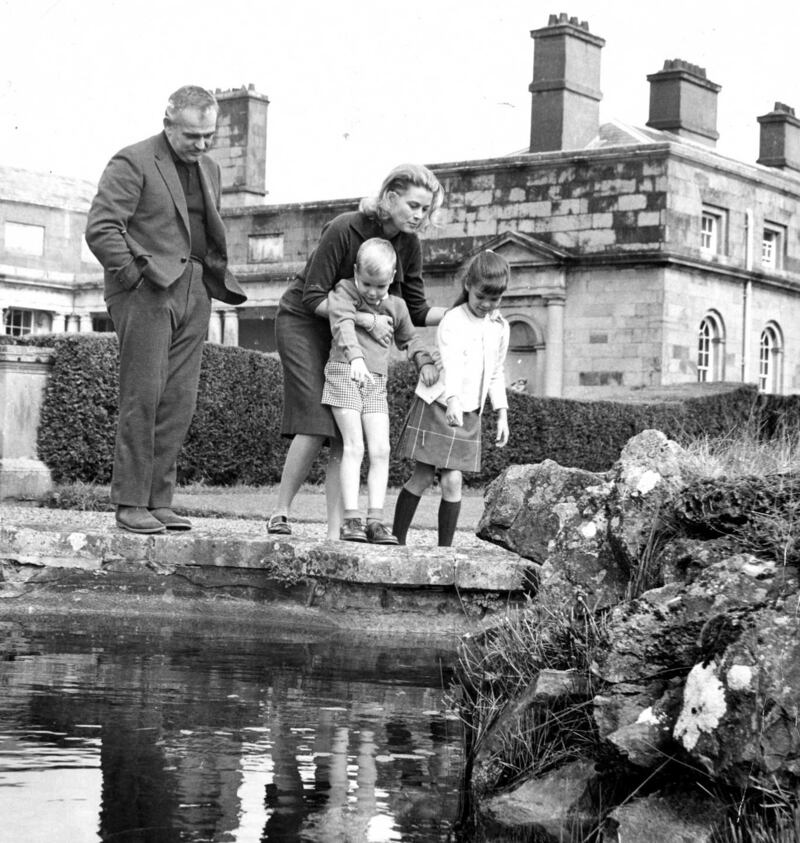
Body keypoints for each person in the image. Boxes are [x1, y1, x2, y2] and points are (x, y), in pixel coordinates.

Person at [85, 85, 246, 535]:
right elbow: (101, 229)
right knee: (144, 393)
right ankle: (131, 502)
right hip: (146, 289)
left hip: (196, 289)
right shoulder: (132, 160)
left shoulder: (210, 168)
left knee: (179, 400)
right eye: (192, 135)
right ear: (167, 124)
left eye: (208, 136)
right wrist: (137, 277)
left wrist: (204, 284)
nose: (201, 145)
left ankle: (159, 500)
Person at [268, 163, 446, 540]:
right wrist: (367, 322)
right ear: (390, 197)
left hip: (353, 334)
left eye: (426, 209)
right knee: (318, 421)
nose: (420, 215)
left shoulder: (409, 245)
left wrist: (462, 314)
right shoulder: (343, 228)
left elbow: (412, 310)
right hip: (305, 322)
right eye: (414, 205)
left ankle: (337, 533)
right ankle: (280, 512)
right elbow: (313, 295)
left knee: (341, 432)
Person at [392, 250, 511, 547]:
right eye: (482, 296)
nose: (487, 305)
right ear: (468, 285)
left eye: (495, 299)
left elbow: (496, 371)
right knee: (421, 477)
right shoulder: (452, 320)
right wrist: (454, 400)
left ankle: (445, 551)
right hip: (439, 405)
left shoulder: (500, 327)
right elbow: (452, 364)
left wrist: (501, 412)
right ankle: (396, 541)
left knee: (453, 480)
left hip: (469, 411)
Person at [323, 238, 438, 543]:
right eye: (367, 284)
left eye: (380, 286)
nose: (373, 293)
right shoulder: (345, 290)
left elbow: (410, 338)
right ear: (356, 271)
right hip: (344, 373)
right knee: (353, 446)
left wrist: (424, 362)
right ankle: (351, 520)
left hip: (375, 382)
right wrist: (356, 358)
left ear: (392, 277)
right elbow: (342, 324)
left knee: (381, 450)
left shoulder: (396, 305)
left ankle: (375, 521)